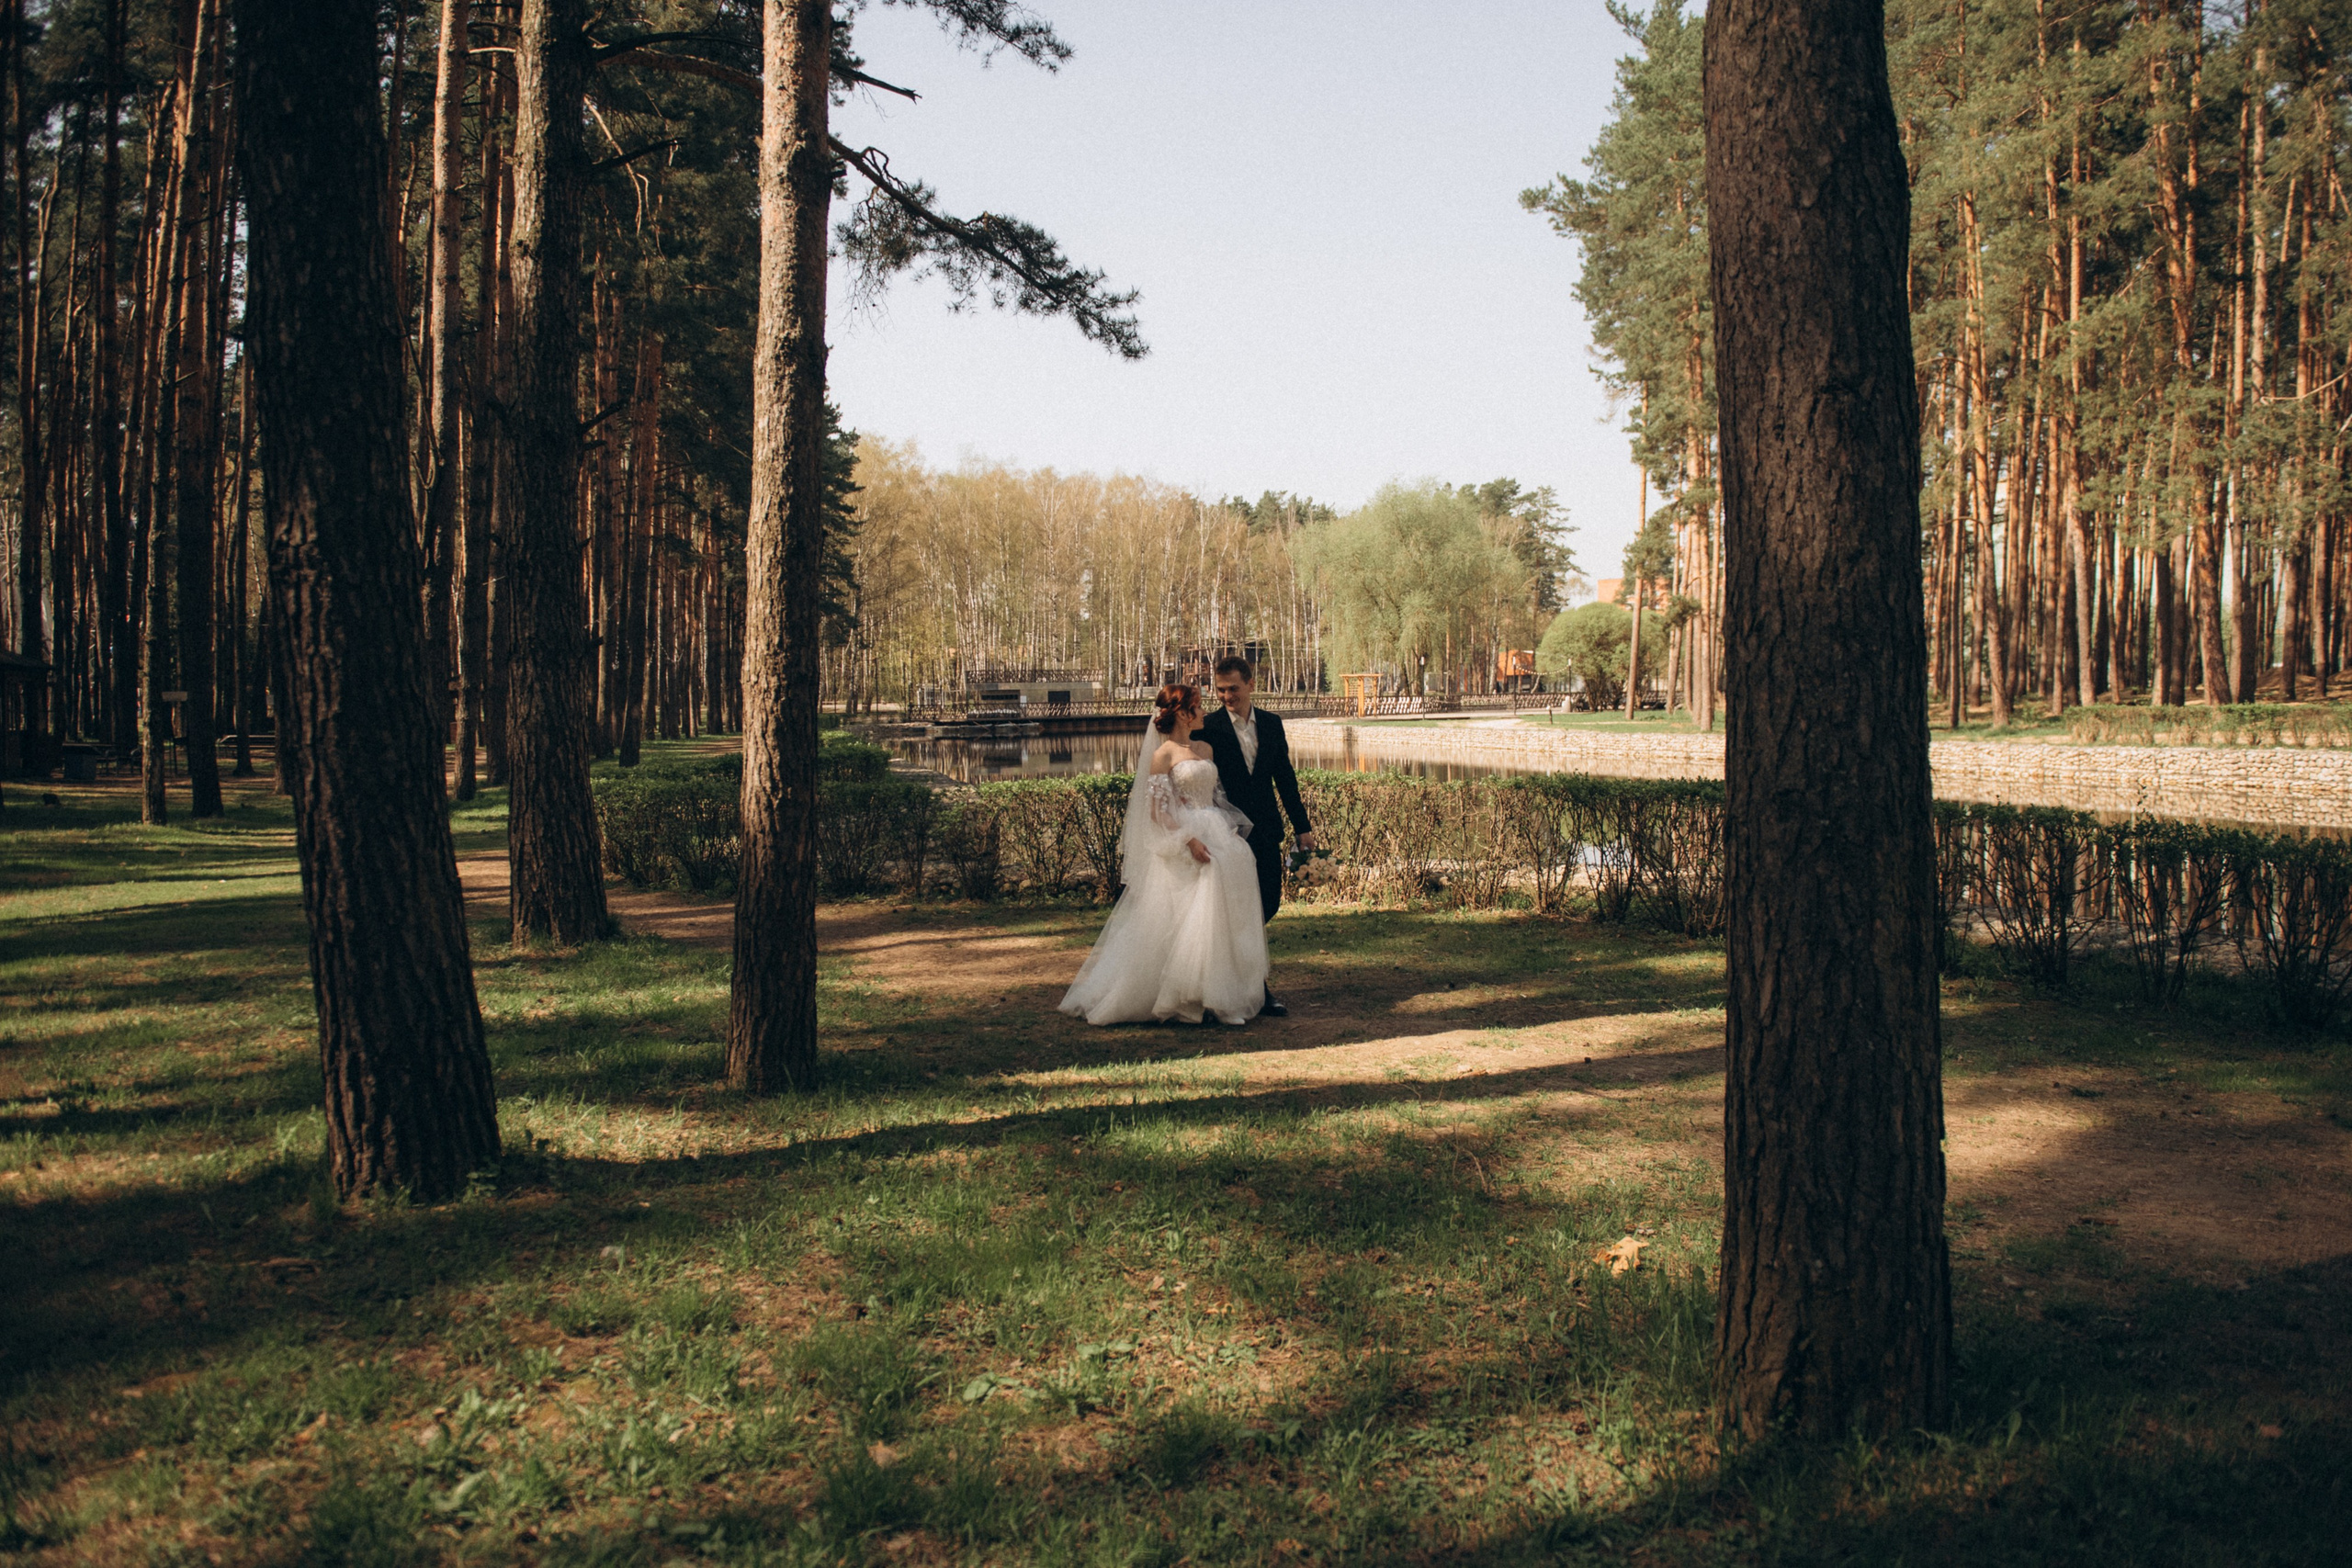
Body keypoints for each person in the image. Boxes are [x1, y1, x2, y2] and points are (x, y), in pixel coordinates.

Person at [1058, 683, 1270, 1026]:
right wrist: (1189, 840)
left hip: (1214, 825)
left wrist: (1229, 828)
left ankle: (1220, 993)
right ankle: (1185, 997)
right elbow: (1158, 811)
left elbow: (1216, 797)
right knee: (1194, 910)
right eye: (1198, 707)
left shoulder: (1205, 748)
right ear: (1183, 713)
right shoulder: (1164, 755)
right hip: (1186, 833)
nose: (1203, 713)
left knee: (1230, 895)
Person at [1197, 655, 1316, 1017]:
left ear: (1251, 684)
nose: (1226, 696)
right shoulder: (1209, 727)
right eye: (1220, 690)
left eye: (1233, 688)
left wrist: (1303, 827)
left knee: (1268, 902)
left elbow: (1286, 778)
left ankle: (1242, 975)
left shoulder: (1272, 724)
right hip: (1226, 833)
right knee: (1238, 911)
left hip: (1266, 829)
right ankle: (1256, 989)